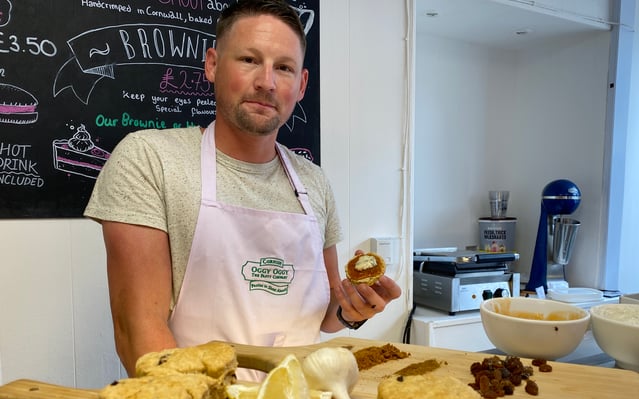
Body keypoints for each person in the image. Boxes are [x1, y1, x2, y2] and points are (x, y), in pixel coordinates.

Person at [84, 0, 401, 379]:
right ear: (213, 65)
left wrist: (353, 309)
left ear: (300, 85)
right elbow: (138, 331)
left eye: (283, 67)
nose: (267, 81)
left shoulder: (314, 182)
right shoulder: (149, 160)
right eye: (249, 60)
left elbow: (328, 315)